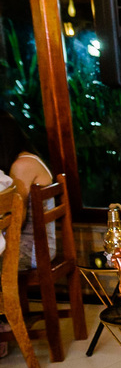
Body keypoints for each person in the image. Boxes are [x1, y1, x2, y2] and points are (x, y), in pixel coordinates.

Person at [0, 112, 54, 270]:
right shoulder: (27, 159)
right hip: (36, 246)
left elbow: (17, 218)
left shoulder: (22, 166)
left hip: (32, 251)